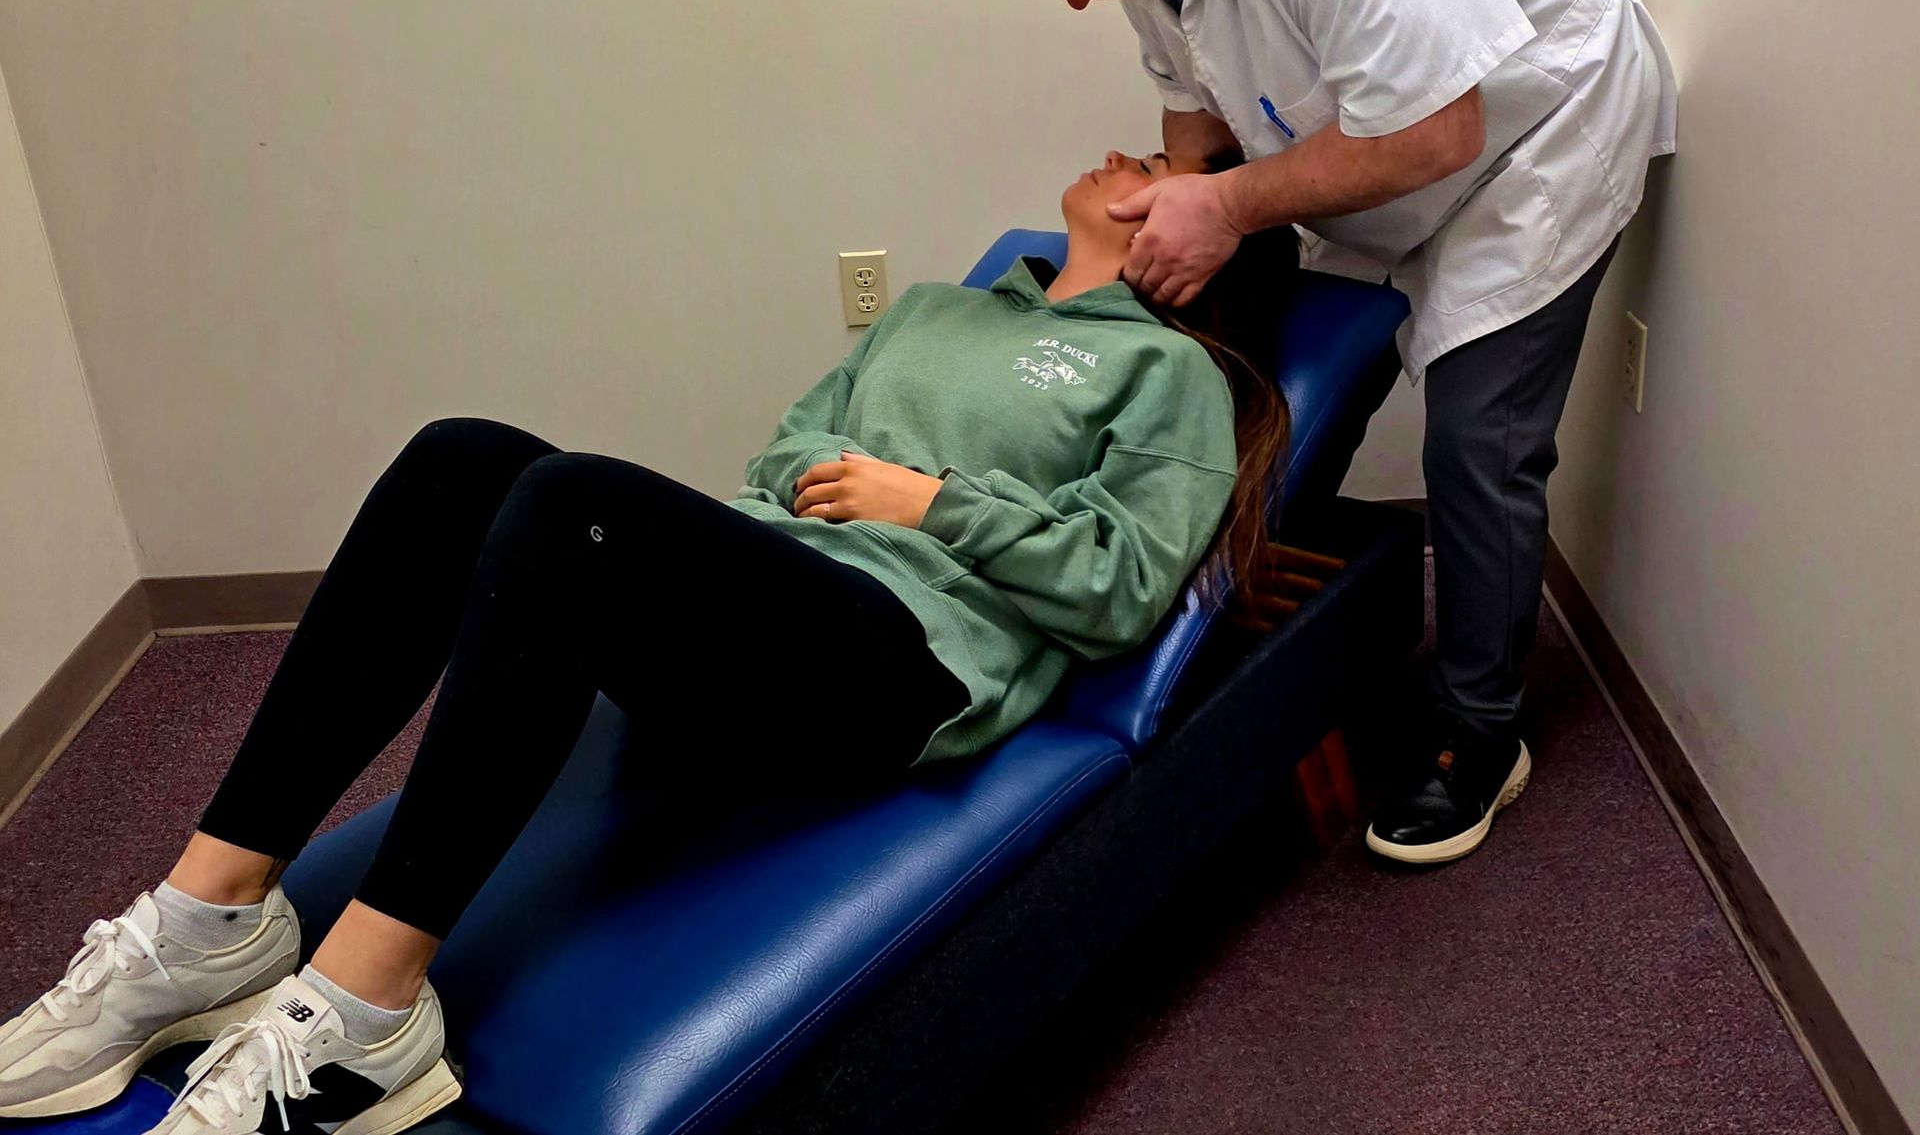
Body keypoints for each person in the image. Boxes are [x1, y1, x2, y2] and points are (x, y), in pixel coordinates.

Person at [0, 150, 1290, 1135]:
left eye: (1159, 165)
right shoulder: (938, 313)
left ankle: (362, 1014)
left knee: (576, 506)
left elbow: (1124, 585)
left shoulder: (1166, 372)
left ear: (1182, 245)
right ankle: (207, 916)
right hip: (782, 606)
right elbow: (788, 450)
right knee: (463, 462)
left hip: (902, 667)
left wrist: (930, 501)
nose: (1128, 156)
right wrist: (831, 488)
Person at [957, 0, 1678, 866]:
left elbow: (1440, 132)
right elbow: (1193, 105)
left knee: (1479, 437)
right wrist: (1188, 232)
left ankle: (1481, 739)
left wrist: (1229, 205)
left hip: (1539, 134)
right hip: (1395, 131)